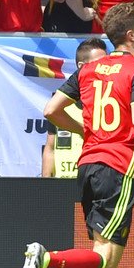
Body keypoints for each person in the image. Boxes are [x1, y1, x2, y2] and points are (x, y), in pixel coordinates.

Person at [13, 3, 134, 268]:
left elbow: (51, 110)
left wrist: (83, 130)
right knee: (107, 259)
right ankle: (45, 258)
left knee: (101, 250)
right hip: (118, 166)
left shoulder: (89, 70)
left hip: (88, 164)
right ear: (131, 35)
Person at [42, 38, 108, 178]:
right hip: (63, 184)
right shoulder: (59, 106)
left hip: (94, 183)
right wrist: (45, 183)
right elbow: (50, 147)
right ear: (81, 66)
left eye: (107, 64)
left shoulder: (110, 105)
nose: (105, 69)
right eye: (99, 64)